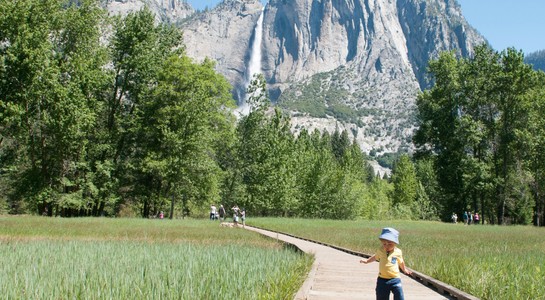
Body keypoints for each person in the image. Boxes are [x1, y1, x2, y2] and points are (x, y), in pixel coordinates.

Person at [360, 227, 412, 300]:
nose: (386, 246)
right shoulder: (380, 250)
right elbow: (375, 257)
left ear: (395, 243)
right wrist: (367, 261)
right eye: (384, 244)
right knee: (381, 297)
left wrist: (404, 269)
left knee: (399, 296)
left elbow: (401, 262)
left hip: (395, 279)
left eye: (390, 244)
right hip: (382, 279)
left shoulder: (398, 252)